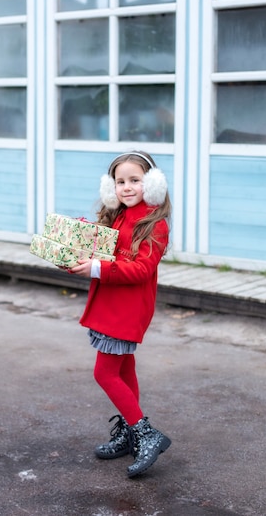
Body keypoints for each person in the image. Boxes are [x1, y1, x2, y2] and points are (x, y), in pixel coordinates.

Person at [69, 151, 172, 478]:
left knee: (105, 374)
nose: (127, 187)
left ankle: (146, 433)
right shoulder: (117, 216)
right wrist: (82, 242)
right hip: (110, 305)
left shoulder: (155, 224)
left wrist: (98, 267)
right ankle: (131, 434)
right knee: (124, 370)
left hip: (125, 310)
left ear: (152, 183)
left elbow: (142, 269)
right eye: (120, 181)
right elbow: (104, 250)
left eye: (135, 180)